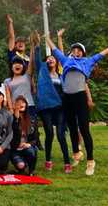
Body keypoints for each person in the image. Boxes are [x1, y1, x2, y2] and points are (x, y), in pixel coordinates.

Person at [47, 31, 108, 176]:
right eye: (74, 50)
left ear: (83, 53)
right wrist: (47, 38)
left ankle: (91, 161)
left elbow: (102, 53)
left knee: (84, 129)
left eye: (79, 50)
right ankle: (76, 153)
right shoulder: (66, 61)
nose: (76, 52)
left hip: (80, 97)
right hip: (67, 98)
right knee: (72, 128)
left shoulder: (88, 61)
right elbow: (55, 50)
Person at [29, 31, 71, 173]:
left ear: (56, 61)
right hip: (46, 107)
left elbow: (61, 54)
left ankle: (67, 162)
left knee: (60, 134)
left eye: (53, 58)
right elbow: (37, 59)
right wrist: (37, 44)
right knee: (49, 134)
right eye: (48, 58)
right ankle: (48, 160)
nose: (50, 59)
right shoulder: (41, 70)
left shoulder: (61, 74)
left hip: (60, 107)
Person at [10, 96, 39, 175]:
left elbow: (36, 138)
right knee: (21, 166)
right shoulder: (10, 119)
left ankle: (31, 170)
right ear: (15, 105)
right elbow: (12, 131)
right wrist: (16, 117)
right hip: (15, 149)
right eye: (18, 103)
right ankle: (22, 165)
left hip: (26, 146)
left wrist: (28, 144)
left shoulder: (32, 119)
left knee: (31, 150)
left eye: (23, 102)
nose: (20, 104)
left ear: (26, 105)